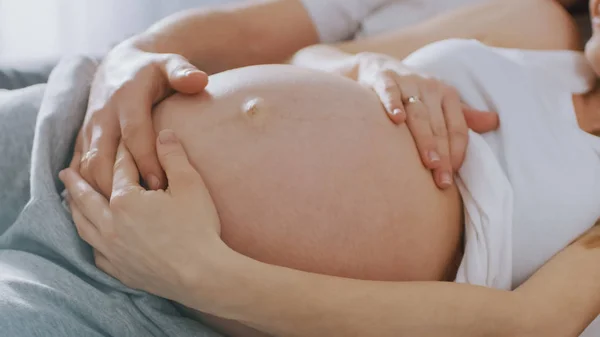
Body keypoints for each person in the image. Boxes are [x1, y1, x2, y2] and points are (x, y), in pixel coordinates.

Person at [61, 1, 600, 336]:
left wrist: (201, 274)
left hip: (163, 300)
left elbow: (527, 327)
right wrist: (364, 64)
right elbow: (310, 57)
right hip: (88, 135)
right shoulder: (537, 24)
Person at [74, 0, 577, 197]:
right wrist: (128, 56)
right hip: (108, 110)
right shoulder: (529, 20)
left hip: (164, 264)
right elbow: (262, 36)